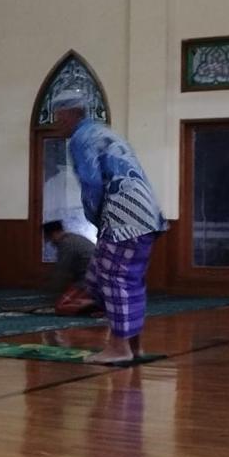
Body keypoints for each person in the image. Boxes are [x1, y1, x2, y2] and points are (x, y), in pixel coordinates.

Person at [52, 94, 169, 363]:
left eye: (57, 118)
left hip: (123, 215)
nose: (56, 125)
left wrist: (96, 218)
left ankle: (119, 348)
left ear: (68, 115)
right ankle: (134, 346)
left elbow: (91, 183)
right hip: (146, 213)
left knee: (114, 279)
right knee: (109, 278)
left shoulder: (81, 138)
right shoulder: (103, 132)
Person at [42, 220, 98, 315]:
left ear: (54, 234)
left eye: (49, 238)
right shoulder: (74, 238)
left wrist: (50, 291)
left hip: (88, 282)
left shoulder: (66, 243)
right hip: (95, 280)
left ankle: (96, 304)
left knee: (61, 306)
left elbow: (61, 272)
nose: (50, 242)